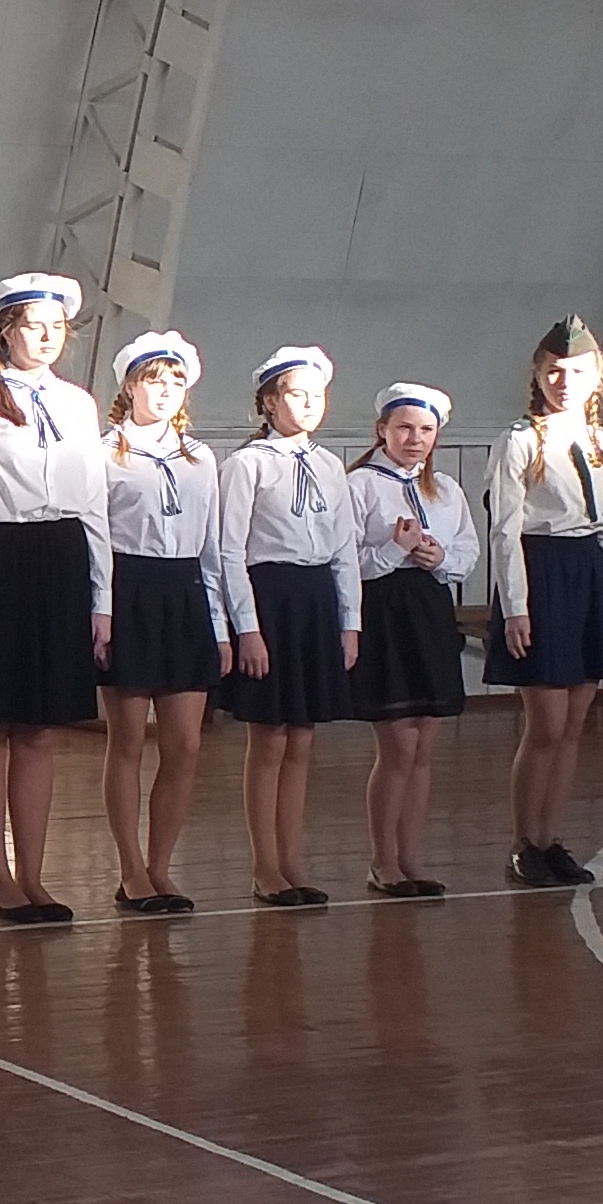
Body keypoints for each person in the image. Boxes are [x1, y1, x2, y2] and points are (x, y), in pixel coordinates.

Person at [0, 272, 109, 927]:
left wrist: (101, 597)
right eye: (33, 325)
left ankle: (33, 875)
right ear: (4, 331)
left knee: (39, 728)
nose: (46, 337)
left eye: (57, 327)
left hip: (61, 557)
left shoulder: (78, 404)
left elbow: (94, 504)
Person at [483, 316, 603, 889]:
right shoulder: (521, 440)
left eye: (575, 371)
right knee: (545, 724)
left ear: (597, 376)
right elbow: (505, 530)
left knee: (573, 724)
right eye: (553, 371)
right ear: (537, 373)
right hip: (541, 570)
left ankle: (550, 839)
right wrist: (516, 607)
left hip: (588, 571)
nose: (563, 382)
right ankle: (524, 842)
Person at [215, 346, 362, 909]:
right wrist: (247, 628)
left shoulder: (329, 466)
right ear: (269, 402)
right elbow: (230, 551)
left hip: (316, 600)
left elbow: (344, 549)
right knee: (270, 738)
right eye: (295, 394)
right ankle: (265, 866)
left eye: (316, 395)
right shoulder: (248, 465)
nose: (308, 404)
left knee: (302, 736)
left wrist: (349, 622)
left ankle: (293, 860)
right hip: (271, 598)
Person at [93, 332, 230, 915]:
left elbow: (213, 546)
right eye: (154, 379)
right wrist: (100, 608)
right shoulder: (104, 452)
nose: (167, 390)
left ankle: (161, 866)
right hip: (129, 586)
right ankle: (130, 870)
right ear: (129, 386)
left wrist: (220, 625)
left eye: (177, 380)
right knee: (127, 740)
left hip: (185, 592)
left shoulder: (200, 457)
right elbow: (95, 538)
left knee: (185, 744)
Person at [344, 383, 471, 899]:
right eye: (404, 428)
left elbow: (466, 550)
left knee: (423, 749)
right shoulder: (360, 485)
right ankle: (383, 861)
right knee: (398, 747)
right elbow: (345, 560)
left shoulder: (446, 489)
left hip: (429, 612)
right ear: (383, 430)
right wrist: (395, 551)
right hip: (384, 615)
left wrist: (441, 558)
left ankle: (411, 856)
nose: (415, 438)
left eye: (425, 429)